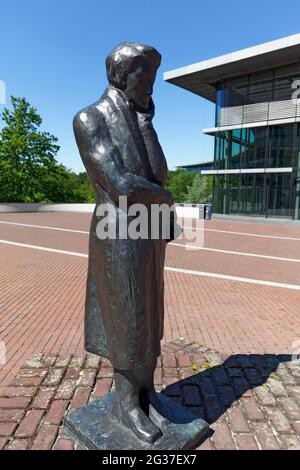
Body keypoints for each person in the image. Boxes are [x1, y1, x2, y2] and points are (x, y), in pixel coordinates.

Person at [73, 42, 175, 443]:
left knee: (149, 314)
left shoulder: (140, 116)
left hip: (148, 232)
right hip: (117, 233)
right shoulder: (89, 118)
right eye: (145, 82)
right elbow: (119, 183)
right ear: (122, 76)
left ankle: (146, 393)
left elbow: (159, 173)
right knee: (128, 317)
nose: (150, 90)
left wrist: (147, 122)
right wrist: (165, 200)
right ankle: (125, 404)